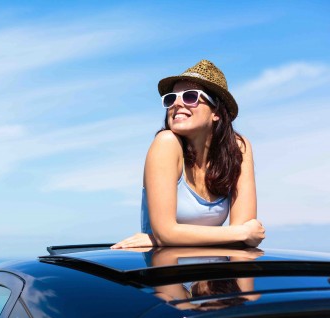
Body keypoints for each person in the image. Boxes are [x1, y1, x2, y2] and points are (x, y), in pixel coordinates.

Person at [112, 60, 265, 248]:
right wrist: (239, 232)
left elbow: (246, 241)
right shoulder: (166, 143)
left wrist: (242, 233)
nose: (176, 104)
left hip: (215, 273)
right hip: (165, 272)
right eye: (171, 98)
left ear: (216, 111)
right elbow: (166, 233)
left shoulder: (238, 148)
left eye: (190, 97)